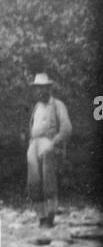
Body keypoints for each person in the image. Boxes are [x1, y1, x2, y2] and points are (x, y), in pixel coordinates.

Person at [26, 73, 72, 227]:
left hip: (48, 143)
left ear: (49, 88)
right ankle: (41, 217)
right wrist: (31, 143)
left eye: (43, 88)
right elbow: (32, 127)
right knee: (33, 182)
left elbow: (66, 128)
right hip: (34, 144)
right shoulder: (37, 107)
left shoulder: (57, 105)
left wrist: (54, 143)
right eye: (37, 88)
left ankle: (50, 216)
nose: (40, 91)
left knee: (48, 182)